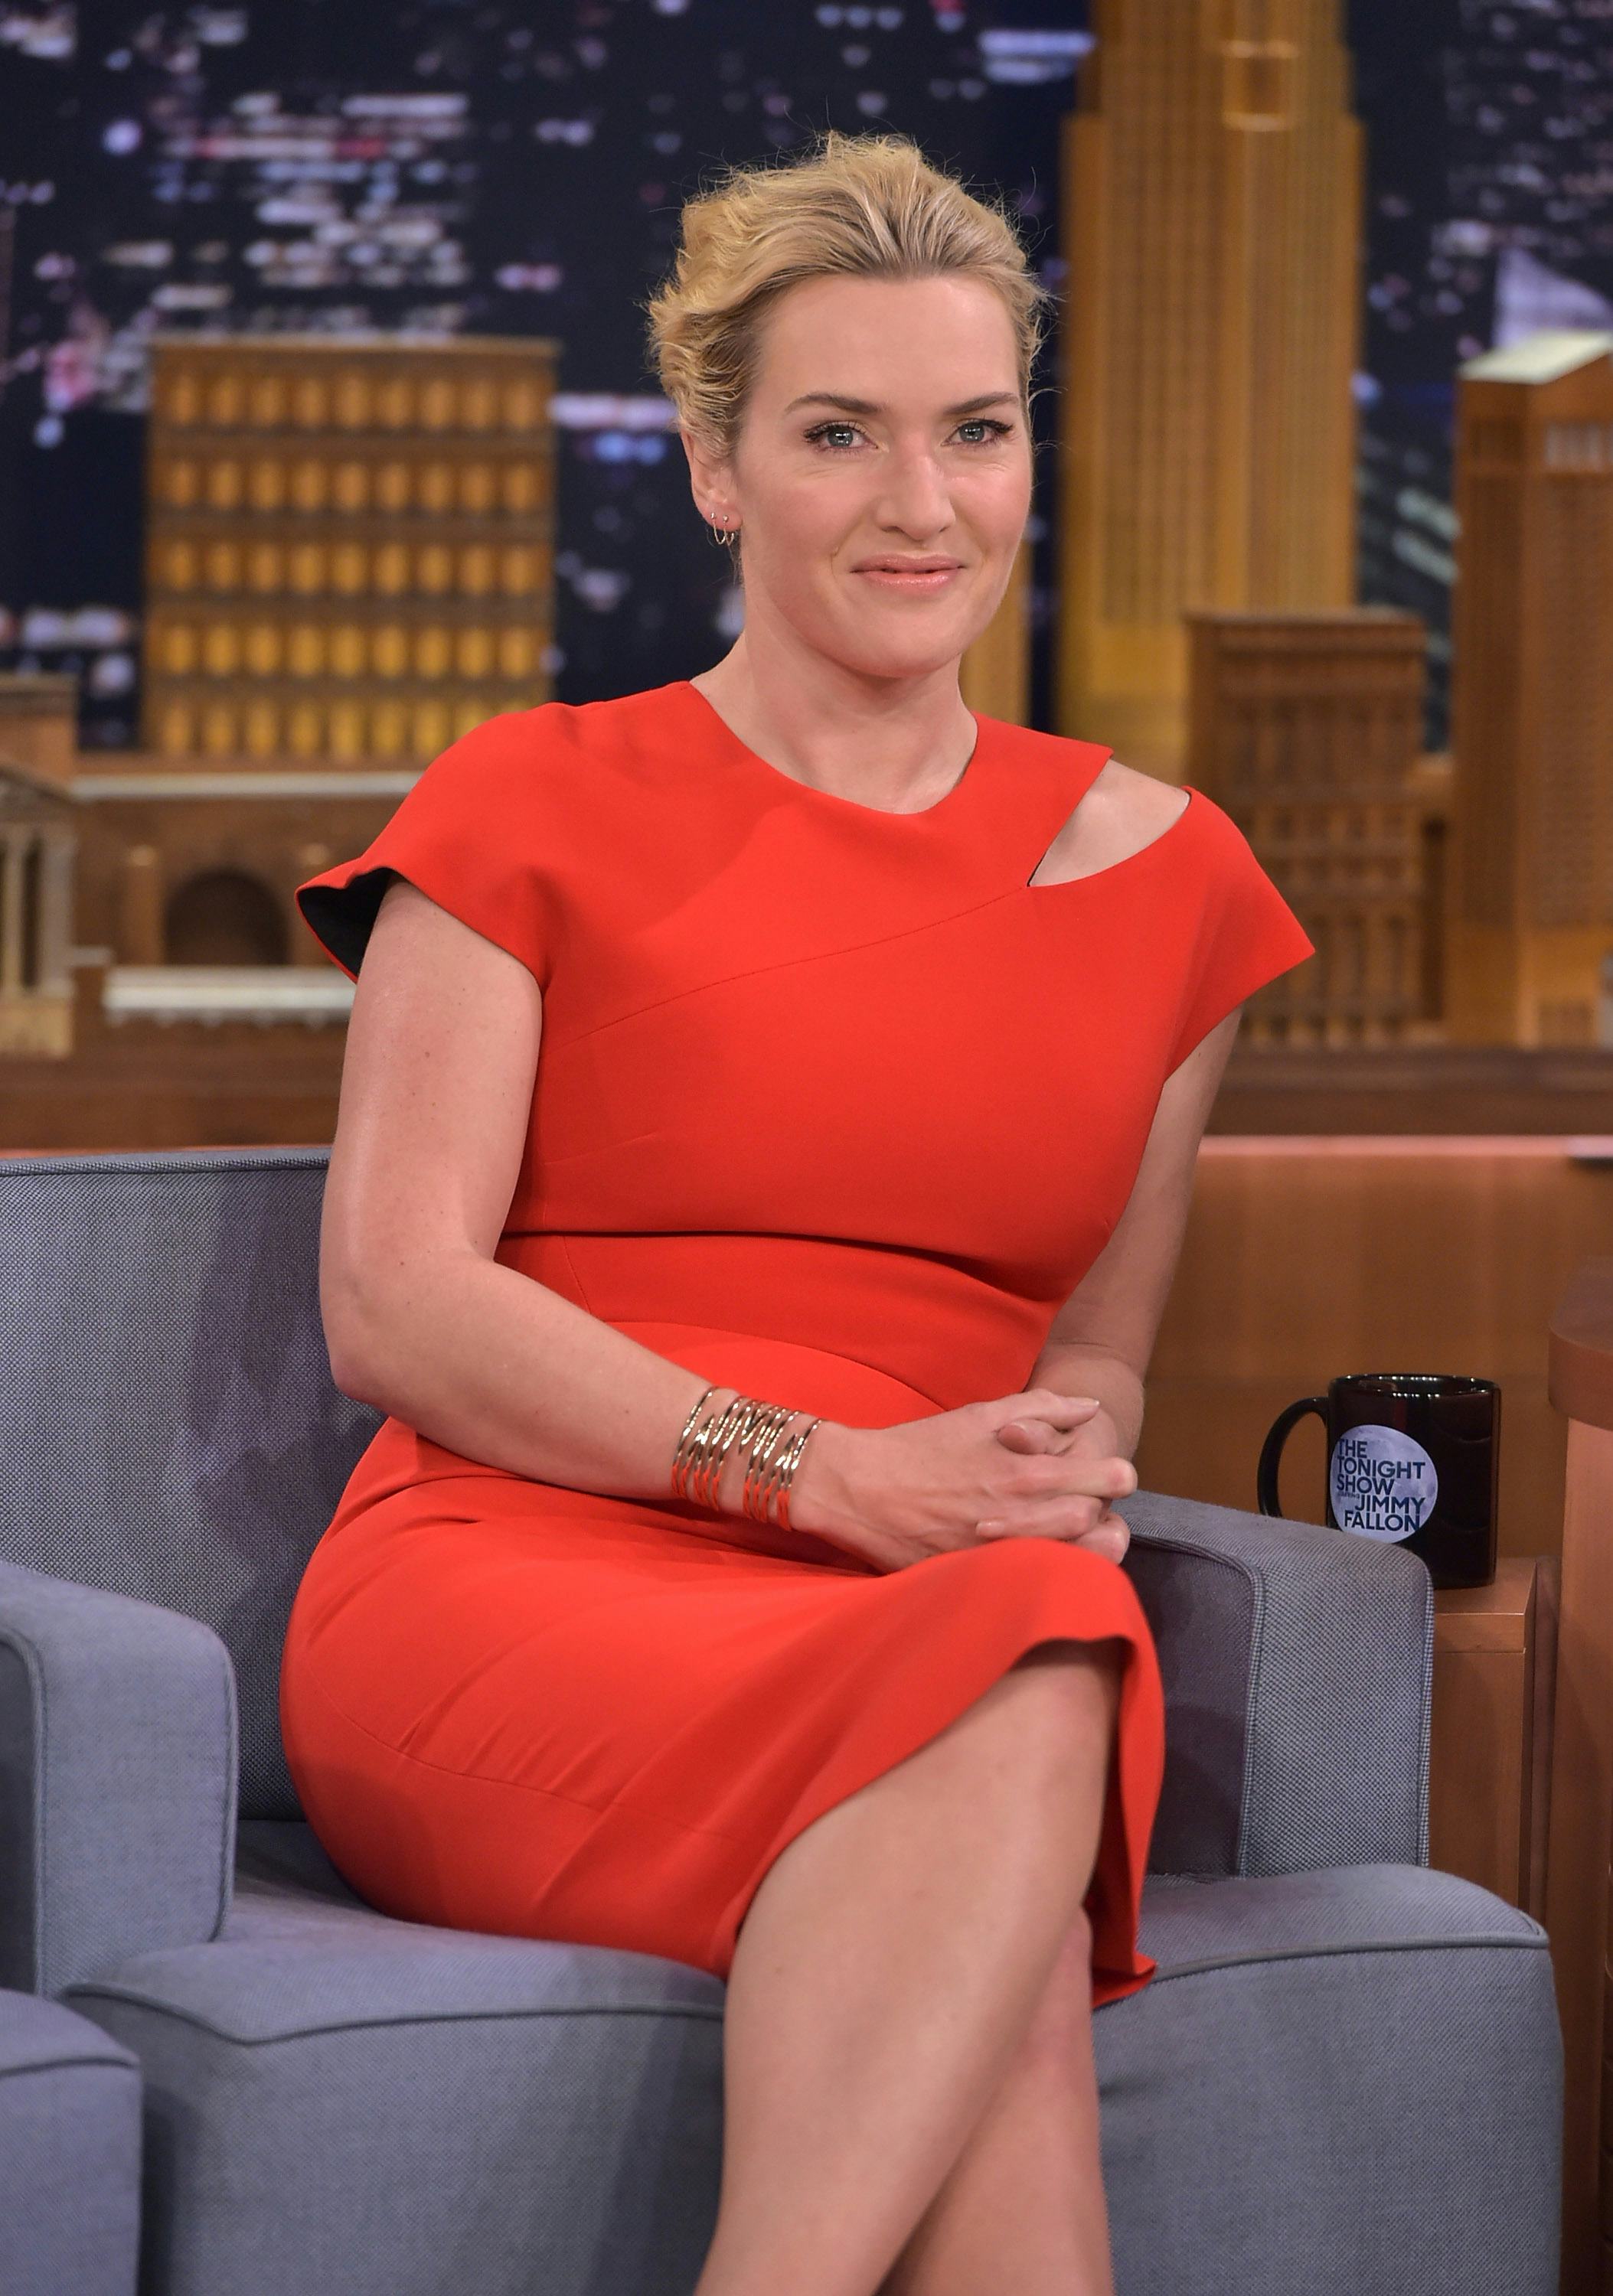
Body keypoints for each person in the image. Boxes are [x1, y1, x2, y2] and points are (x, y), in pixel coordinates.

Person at [280, 126, 1315, 2296]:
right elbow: (393, 1302)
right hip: (514, 1580)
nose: (920, 503)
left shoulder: (1176, 880)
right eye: (839, 434)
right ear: (716, 470)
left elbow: (1095, 1342)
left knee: (1026, 1677)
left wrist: (1058, 1455)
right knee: (1026, 1681)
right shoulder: (529, 798)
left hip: (925, 1587)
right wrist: (828, 1473)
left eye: (976, 432)